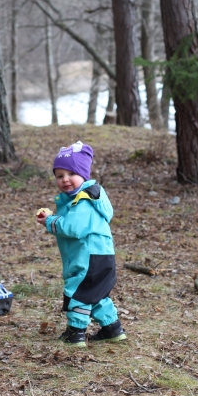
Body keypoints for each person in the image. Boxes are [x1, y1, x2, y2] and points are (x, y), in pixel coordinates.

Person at [36, 141, 127, 346]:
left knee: (79, 291)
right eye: (60, 176)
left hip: (89, 257)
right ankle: (112, 329)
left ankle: (75, 332)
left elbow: (73, 228)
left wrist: (51, 221)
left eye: (71, 174)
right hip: (97, 255)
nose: (65, 180)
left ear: (83, 174)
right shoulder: (81, 198)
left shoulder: (83, 200)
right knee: (95, 294)